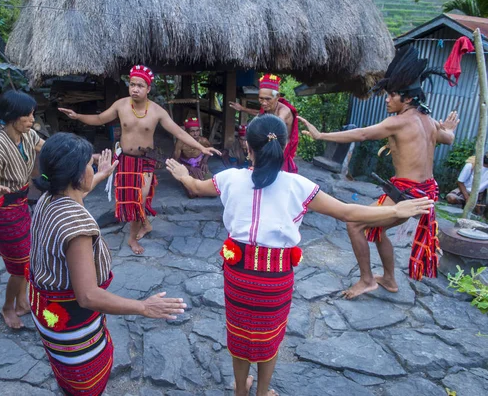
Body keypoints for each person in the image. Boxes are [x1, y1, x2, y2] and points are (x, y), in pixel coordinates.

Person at [166, 114, 433, 396]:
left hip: (238, 275)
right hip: (276, 279)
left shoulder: (228, 179)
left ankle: (240, 392)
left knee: (240, 335)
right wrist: (394, 210)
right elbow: (347, 211)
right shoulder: (299, 186)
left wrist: (184, 176)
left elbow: (196, 187)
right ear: (282, 147)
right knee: (269, 339)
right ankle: (263, 392)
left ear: (248, 148)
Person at [29, 133, 186, 396]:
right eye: (87, 167)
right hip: (72, 326)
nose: (92, 169)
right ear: (76, 176)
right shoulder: (76, 228)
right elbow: (88, 296)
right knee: (87, 383)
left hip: (47, 311)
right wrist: (144, 307)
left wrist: (101, 173)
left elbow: (79, 192)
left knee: (68, 378)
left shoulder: (49, 197)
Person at [299, 44, 459, 299]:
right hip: (419, 193)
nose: (386, 99)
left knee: (354, 224)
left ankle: (367, 280)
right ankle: (390, 279)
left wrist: (321, 135)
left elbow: (362, 133)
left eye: (391, 95)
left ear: (406, 98)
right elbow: (448, 138)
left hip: (405, 196)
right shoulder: (428, 121)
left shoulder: (398, 122)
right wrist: (450, 128)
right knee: (376, 229)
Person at [59, 65, 221, 255]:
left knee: (139, 199)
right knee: (131, 199)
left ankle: (131, 237)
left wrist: (201, 147)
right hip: (125, 159)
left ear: (148, 89)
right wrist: (77, 116)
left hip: (146, 160)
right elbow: (100, 118)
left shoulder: (157, 111)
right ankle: (145, 224)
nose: (135, 89)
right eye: (132, 84)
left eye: (140, 86)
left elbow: (177, 131)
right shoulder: (121, 105)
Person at [0, 90, 45, 329]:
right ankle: (8, 307)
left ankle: (22, 301)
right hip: (2, 210)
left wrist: (78, 155)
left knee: (26, 258)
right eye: (27, 116)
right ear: (13, 116)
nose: (32, 120)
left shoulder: (27, 136)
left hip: (20, 206)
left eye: (32, 115)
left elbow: (48, 148)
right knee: (20, 265)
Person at [229, 74, 299, 173]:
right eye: (261, 98)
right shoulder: (269, 107)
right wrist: (242, 109)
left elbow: (275, 126)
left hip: (280, 148)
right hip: (269, 142)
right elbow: (260, 114)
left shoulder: (284, 112)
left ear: (277, 96)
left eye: (268, 99)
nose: (264, 103)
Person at [173, 117, 212, 196]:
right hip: (186, 167)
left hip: (199, 165)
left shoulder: (203, 141)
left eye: (197, 131)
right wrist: (190, 168)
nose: (195, 134)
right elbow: (175, 161)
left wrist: (204, 161)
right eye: (192, 131)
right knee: (192, 194)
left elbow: (210, 150)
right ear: (187, 132)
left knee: (212, 190)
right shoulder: (180, 142)